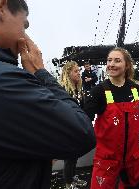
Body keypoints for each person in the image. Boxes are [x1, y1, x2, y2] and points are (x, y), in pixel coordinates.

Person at [0, 1, 95, 188]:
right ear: (1, 6)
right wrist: (41, 72)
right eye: (24, 24)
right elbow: (81, 134)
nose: (25, 34)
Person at [84, 47, 139, 189]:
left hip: (132, 156)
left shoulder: (135, 89)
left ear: (127, 65)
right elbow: (84, 121)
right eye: (109, 60)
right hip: (107, 158)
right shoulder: (98, 91)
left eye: (117, 61)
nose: (111, 64)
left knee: (132, 185)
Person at [60, 61, 88, 189]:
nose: (79, 73)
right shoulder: (62, 91)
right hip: (67, 130)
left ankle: (71, 178)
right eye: (76, 71)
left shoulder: (78, 89)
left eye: (79, 71)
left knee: (74, 157)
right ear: (68, 73)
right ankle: (68, 184)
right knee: (70, 158)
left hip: (76, 128)